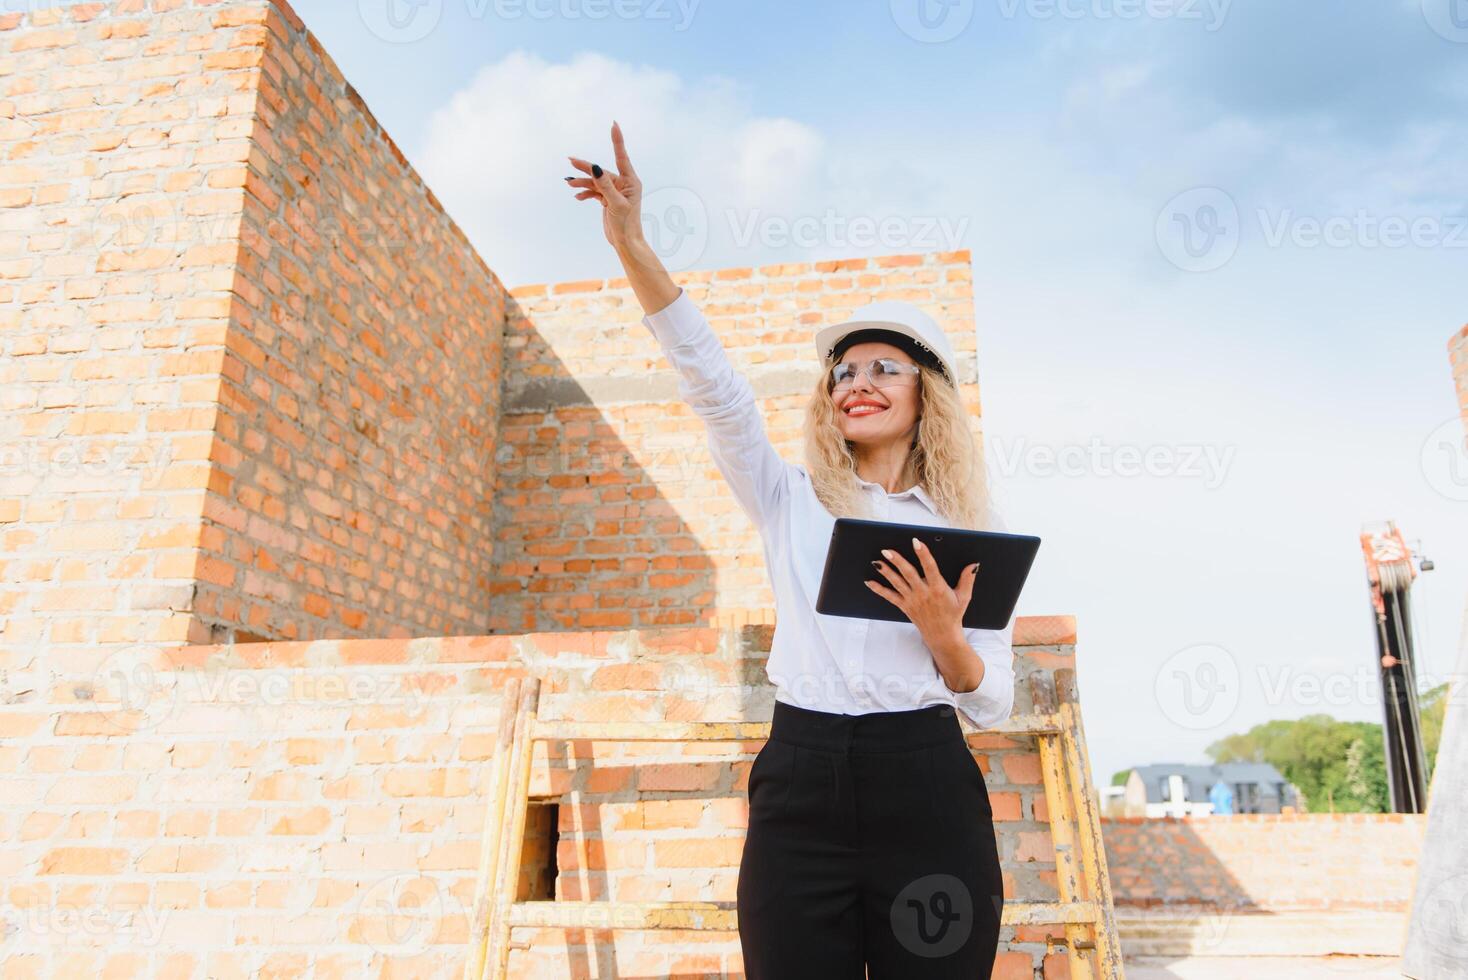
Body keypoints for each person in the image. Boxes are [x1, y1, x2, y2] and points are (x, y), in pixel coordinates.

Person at [565, 121, 1013, 979]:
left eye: (884, 368)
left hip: (925, 788)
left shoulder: (969, 534)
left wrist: (945, 636)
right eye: (843, 372)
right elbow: (714, 386)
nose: (857, 383)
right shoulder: (789, 500)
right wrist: (631, 241)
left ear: (928, 396)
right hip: (800, 785)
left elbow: (993, 701)